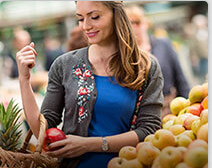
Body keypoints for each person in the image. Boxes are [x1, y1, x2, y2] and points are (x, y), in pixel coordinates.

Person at [16, 2, 164, 168]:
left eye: (94, 17)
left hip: (131, 163)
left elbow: (149, 130)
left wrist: (89, 144)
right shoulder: (64, 65)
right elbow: (43, 131)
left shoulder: (145, 66)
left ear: (116, 15)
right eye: (80, 18)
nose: (86, 26)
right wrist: (24, 78)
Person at [125, 5, 190, 118]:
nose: (133, 27)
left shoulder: (163, 45)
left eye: (137, 22)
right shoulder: (124, 53)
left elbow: (180, 80)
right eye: (129, 23)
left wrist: (188, 108)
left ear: (145, 23)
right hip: (140, 115)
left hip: (169, 110)